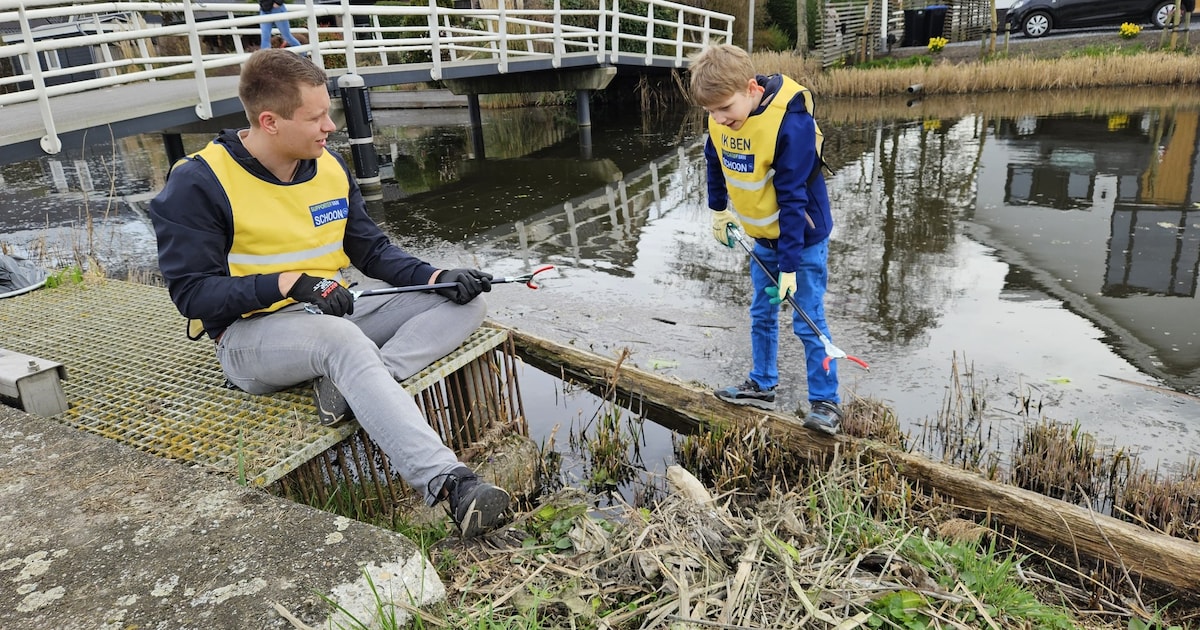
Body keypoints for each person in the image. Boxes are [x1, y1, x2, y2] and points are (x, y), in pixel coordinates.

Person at [149, 48, 509, 537]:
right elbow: (192, 296)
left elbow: (373, 251)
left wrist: (436, 276)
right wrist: (287, 284)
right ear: (271, 121)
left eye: (329, 113)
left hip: (336, 313)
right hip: (250, 339)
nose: (331, 126)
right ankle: (450, 485)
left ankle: (354, 383)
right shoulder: (198, 182)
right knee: (342, 343)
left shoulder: (329, 168)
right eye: (317, 117)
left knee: (467, 303)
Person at [688, 43, 843, 435]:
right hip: (763, 238)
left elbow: (793, 199)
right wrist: (719, 209)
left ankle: (826, 402)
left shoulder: (791, 124)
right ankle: (762, 383)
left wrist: (790, 265)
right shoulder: (719, 119)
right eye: (711, 112)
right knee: (761, 313)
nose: (720, 119)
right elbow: (714, 161)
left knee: (809, 319)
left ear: (752, 90)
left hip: (801, 238)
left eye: (726, 109)